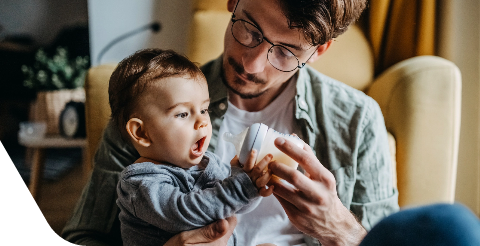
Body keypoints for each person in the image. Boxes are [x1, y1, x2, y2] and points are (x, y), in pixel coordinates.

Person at [62, 0, 400, 245]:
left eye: (285, 51)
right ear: (233, 1)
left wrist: (338, 227)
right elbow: (83, 234)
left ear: (318, 50)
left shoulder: (357, 119)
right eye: (250, 30)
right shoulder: (152, 105)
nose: (252, 64)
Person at [109, 48, 276, 246]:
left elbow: (235, 204)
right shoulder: (139, 184)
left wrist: (252, 184)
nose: (203, 122)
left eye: (204, 109)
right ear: (142, 133)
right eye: (183, 114)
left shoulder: (208, 163)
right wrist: (241, 186)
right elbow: (183, 212)